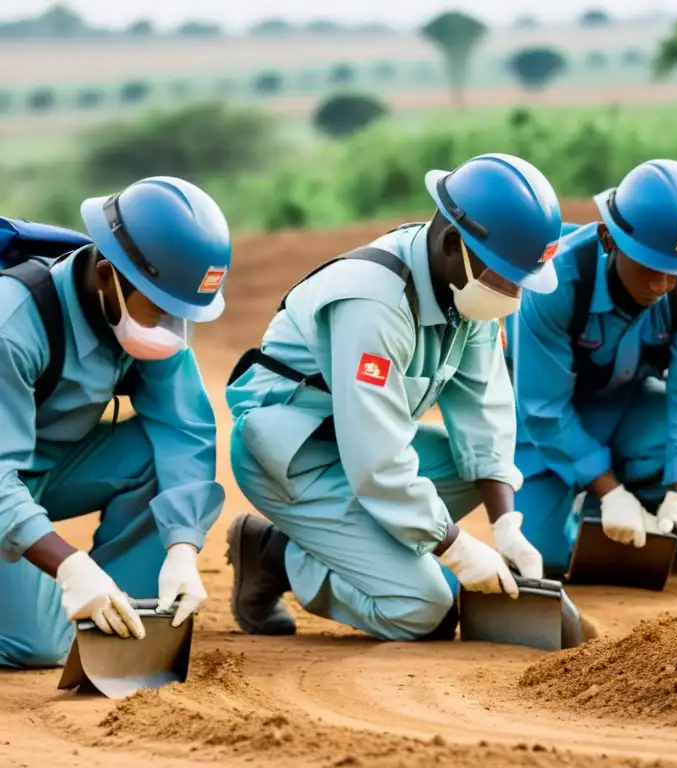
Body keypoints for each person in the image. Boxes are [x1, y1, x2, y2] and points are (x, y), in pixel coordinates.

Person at [224, 152, 561, 641]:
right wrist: (457, 548)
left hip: (353, 445)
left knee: (476, 473)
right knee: (426, 610)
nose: (513, 295)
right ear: (453, 243)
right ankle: (273, 554)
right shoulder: (374, 304)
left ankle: (361, 538)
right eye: (507, 277)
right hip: (293, 458)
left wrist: (506, 524)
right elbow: (376, 461)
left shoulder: (464, 289)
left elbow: (483, 412)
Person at [0, 176, 231, 669]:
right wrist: (69, 566)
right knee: (40, 645)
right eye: (162, 307)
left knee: (155, 453)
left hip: (45, 470)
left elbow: (183, 429)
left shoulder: (146, 318)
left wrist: (184, 548)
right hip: (5, 479)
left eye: (182, 312)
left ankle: (121, 605)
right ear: (107, 275)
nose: (171, 327)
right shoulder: (12, 326)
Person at [505, 159, 677, 576]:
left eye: (674, 274)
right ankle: (601, 501)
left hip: (628, 407)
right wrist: (611, 493)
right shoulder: (552, 285)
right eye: (649, 268)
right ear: (608, 238)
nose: (661, 287)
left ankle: (668, 513)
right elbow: (543, 407)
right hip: (543, 421)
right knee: (545, 556)